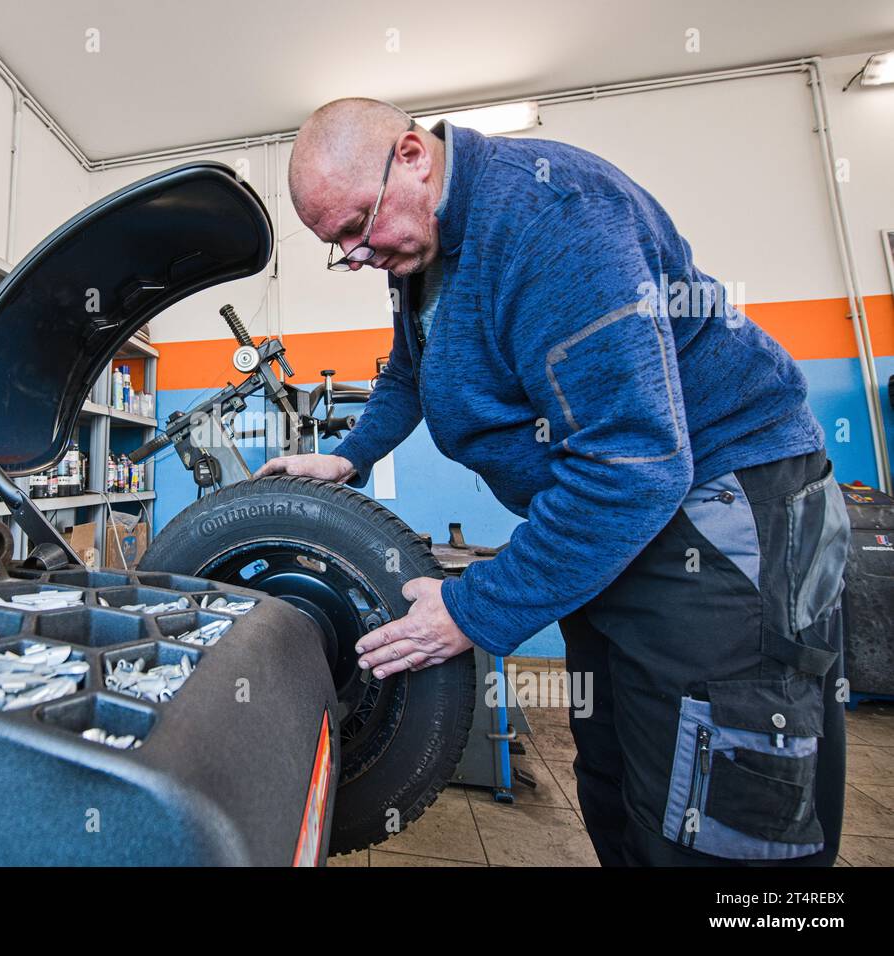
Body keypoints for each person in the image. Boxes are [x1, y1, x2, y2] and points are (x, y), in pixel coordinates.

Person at [258, 97, 849, 866]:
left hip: (718, 512)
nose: (357, 254)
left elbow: (633, 466)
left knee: (715, 809)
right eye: (337, 246)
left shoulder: (554, 219)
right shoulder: (423, 249)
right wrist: (348, 456)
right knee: (618, 777)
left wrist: (475, 608)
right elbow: (410, 369)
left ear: (411, 155)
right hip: (620, 523)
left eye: (356, 228)